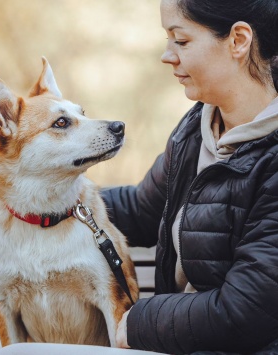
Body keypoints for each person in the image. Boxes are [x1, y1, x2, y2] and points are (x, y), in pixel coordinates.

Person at [101, 0, 278, 354]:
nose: (168, 56)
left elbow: (243, 311)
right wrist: (54, 199)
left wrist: (138, 321)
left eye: (180, 41)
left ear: (239, 41)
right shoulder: (197, 129)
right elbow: (140, 210)